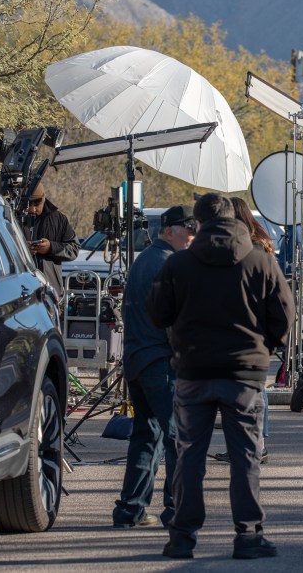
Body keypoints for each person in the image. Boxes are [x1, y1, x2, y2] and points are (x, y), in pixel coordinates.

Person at [147, 193, 294, 560]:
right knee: (245, 456)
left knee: (189, 456)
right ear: (235, 220)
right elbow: (285, 315)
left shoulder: (179, 264)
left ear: (198, 223)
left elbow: (157, 313)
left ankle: (182, 537)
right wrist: (264, 348)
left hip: (193, 372)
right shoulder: (261, 261)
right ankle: (248, 536)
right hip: (244, 373)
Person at [113, 205, 195, 529]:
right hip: (161, 363)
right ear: (169, 230)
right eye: (187, 232)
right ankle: (176, 511)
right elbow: (173, 323)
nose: (191, 238)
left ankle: (130, 510)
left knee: (148, 436)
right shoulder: (168, 264)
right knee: (178, 438)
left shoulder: (144, 260)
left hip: (137, 361)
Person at [229, 197, 276, 463]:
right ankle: (251, 442)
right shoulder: (259, 242)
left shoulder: (253, 247)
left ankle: (259, 443)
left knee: (255, 387)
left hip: (252, 325)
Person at [21, 182, 78, 298]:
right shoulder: (12, 217)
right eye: (28, 204)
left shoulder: (59, 219)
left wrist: (51, 248)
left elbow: (74, 249)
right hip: (21, 289)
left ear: (44, 199)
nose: (32, 209)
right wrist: (22, 251)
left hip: (51, 291)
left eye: (37, 204)